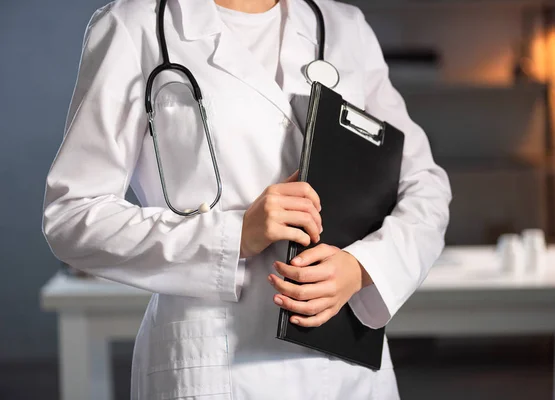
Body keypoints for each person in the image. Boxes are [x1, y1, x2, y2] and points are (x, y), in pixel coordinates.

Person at [42, 0, 451, 398]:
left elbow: (425, 184)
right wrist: (232, 235)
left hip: (346, 368)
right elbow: (72, 215)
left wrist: (363, 267)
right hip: (214, 361)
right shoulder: (135, 26)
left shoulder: (344, 26)